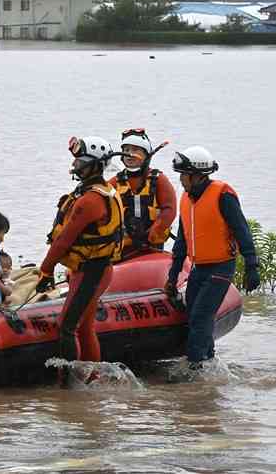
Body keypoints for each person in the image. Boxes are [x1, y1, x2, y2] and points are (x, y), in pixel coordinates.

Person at [164, 146, 260, 375]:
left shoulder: (223, 195)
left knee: (200, 317)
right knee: (193, 316)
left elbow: (242, 230)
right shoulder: (186, 200)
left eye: (183, 175)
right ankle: (209, 365)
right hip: (199, 268)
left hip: (221, 267)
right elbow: (181, 243)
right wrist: (172, 276)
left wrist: (252, 265)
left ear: (197, 175)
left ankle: (194, 369)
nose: (181, 180)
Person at [36, 136, 123, 386]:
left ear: (96, 166)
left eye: (81, 161)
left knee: (66, 326)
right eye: (75, 160)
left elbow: (63, 240)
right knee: (84, 326)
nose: (75, 166)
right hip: (90, 269)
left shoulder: (90, 201)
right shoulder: (97, 192)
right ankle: (92, 377)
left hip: (93, 271)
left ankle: (70, 384)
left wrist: (45, 270)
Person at [108, 128, 177, 259]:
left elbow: (169, 209)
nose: (130, 154)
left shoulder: (158, 180)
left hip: (152, 245)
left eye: (135, 150)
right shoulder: (115, 183)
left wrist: (154, 231)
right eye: (126, 150)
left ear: (146, 155)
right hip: (125, 247)